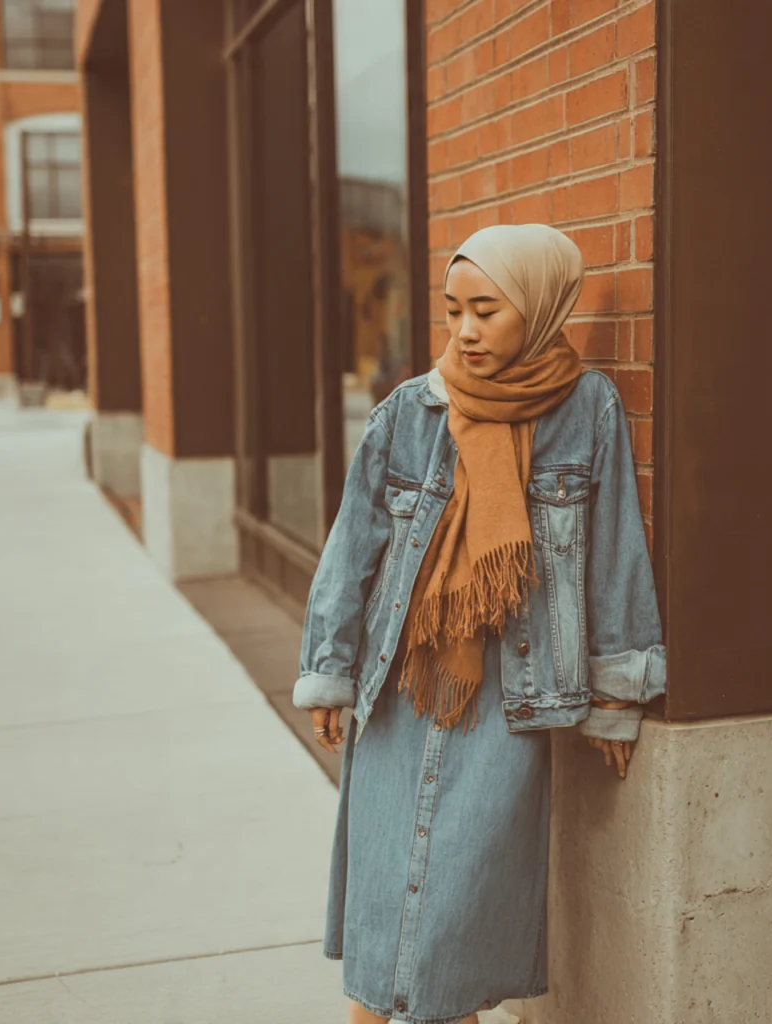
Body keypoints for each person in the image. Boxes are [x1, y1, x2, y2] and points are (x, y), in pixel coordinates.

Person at [292, 223, 665, 1024]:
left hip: (510, 699)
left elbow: (614, 554)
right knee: (386, 899)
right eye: (453, 310)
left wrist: (616, 693)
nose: (463, 331)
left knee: (455, 918)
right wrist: (330, 666)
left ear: (537, 307)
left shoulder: (585, 407)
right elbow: (352, 546)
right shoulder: (410, 411)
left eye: (486, 310)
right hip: (402, 687)